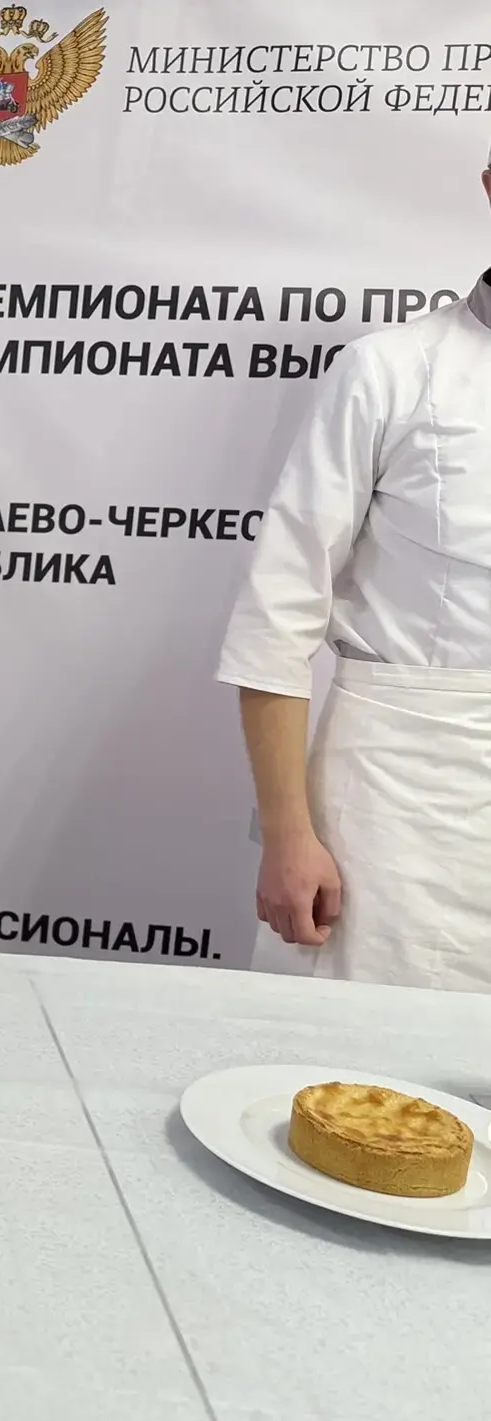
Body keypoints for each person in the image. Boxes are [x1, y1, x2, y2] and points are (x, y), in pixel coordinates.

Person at [216, 148, 491, 990]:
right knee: (364, 1057)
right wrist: (287, 834)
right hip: (399, 811)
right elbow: (277, 615)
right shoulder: (392, 369)